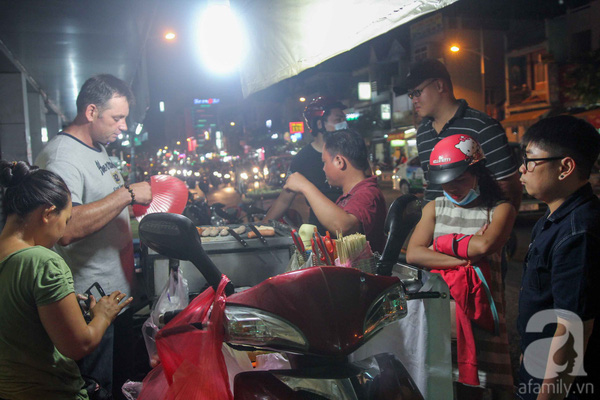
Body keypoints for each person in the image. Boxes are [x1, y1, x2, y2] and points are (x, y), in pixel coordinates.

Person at [35, 74, 152, 399]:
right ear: (90, 112)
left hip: (116, 298)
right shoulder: (63, 157)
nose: (124, 126)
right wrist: (127, 194)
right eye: (117, 118)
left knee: (122, 387)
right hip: (89, 305)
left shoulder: (97, 150)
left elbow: (103, 208)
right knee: (97, 389)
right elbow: (65, 228)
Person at [0, 160, 132, 400]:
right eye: (66, 219)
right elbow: (78, 345)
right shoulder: (44, 263)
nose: (63, 231)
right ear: (48, 213)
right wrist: (103, 314)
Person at [406, 134, 516, 399]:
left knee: (486, 389)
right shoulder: (434, 207)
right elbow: (413, 254)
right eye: (446, 182)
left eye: (461, 180)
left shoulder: (501, 210)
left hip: (484, 325)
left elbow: (485, 245)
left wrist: (438, 248)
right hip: (441, 323)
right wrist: (464, 259)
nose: (453, 188)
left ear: (478, 172)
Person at [516, 115, 600, 400]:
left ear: (565, 167)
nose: (522, 169)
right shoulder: (553, 218)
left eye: (531, 161)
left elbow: (573, 331)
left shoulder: (579, 232)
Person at [396, 58, 522, 211]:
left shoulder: (481, 126)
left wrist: (495, 228)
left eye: (417, 92)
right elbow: (432, 185)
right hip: (434, 225)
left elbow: (508, 186)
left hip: (476, 227)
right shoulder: (423, 132)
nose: (414, 100)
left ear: (439, 85)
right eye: (411, 95)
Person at [283, 129, 386, 253]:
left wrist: (306, 186)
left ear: (339, 161)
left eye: (325, 162)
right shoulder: (352, 194)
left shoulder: (367, 193)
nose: (324, 169)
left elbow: (343, 227)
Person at [264, 96, 345, 233]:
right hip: (322, 239)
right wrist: (263, 226)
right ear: (319, 124)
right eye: (338, 120)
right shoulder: (302, 159)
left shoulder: (350, 151)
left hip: (353, 233)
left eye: (344, 119)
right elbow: (284, 200)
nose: (344, 123)